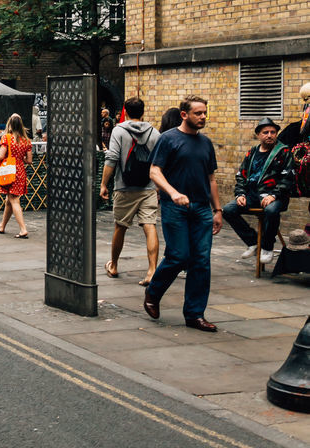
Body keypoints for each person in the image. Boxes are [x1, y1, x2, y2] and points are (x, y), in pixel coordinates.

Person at [144, 95, 222, 332]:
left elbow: (211, 179)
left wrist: (217, 210)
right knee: (179, 256)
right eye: (198, 113)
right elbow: (154, 172)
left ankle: (195, 314)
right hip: (174, 207)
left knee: (201, 261)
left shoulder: (206, 143)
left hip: (201, 209)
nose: (203, 117)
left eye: (205, 113)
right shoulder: (168, 139)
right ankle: (153, 293)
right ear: (184, 115)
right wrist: (173, 193)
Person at [99, 96, 160, 284]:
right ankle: (151, 270)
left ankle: (114, 265)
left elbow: (112, 158)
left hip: (124, 187)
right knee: (150, 226)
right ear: (143, 111)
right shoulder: (155, 133)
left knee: (121, 226)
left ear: (125, 110)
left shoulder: (119, 131)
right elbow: (159, 161)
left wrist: (103, 184)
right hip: (148, 186)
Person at [222, 117, 293, 264]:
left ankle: (267, 247)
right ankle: (254, 242)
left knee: (271, 211)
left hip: (276, 196)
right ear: (258, 135)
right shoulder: (252, 152)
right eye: (265, 132)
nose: (269, 135)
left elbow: (288, 178)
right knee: (228, 210)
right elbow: (241, 175)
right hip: (252, 194)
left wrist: (274, 195)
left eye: (273, 132)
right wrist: (240, 194)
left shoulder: (283, 151)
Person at [0, 113, 32, 238]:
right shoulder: (26, 140)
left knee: (14, 201)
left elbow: (0, 155)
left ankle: (23, 229)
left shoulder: (6, 138)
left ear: (9, 124)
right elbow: (29, 160)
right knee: (9, 201)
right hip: (20, 171)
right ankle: (2, 226)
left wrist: (4, 156)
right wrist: (19, 158)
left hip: (10, 172)